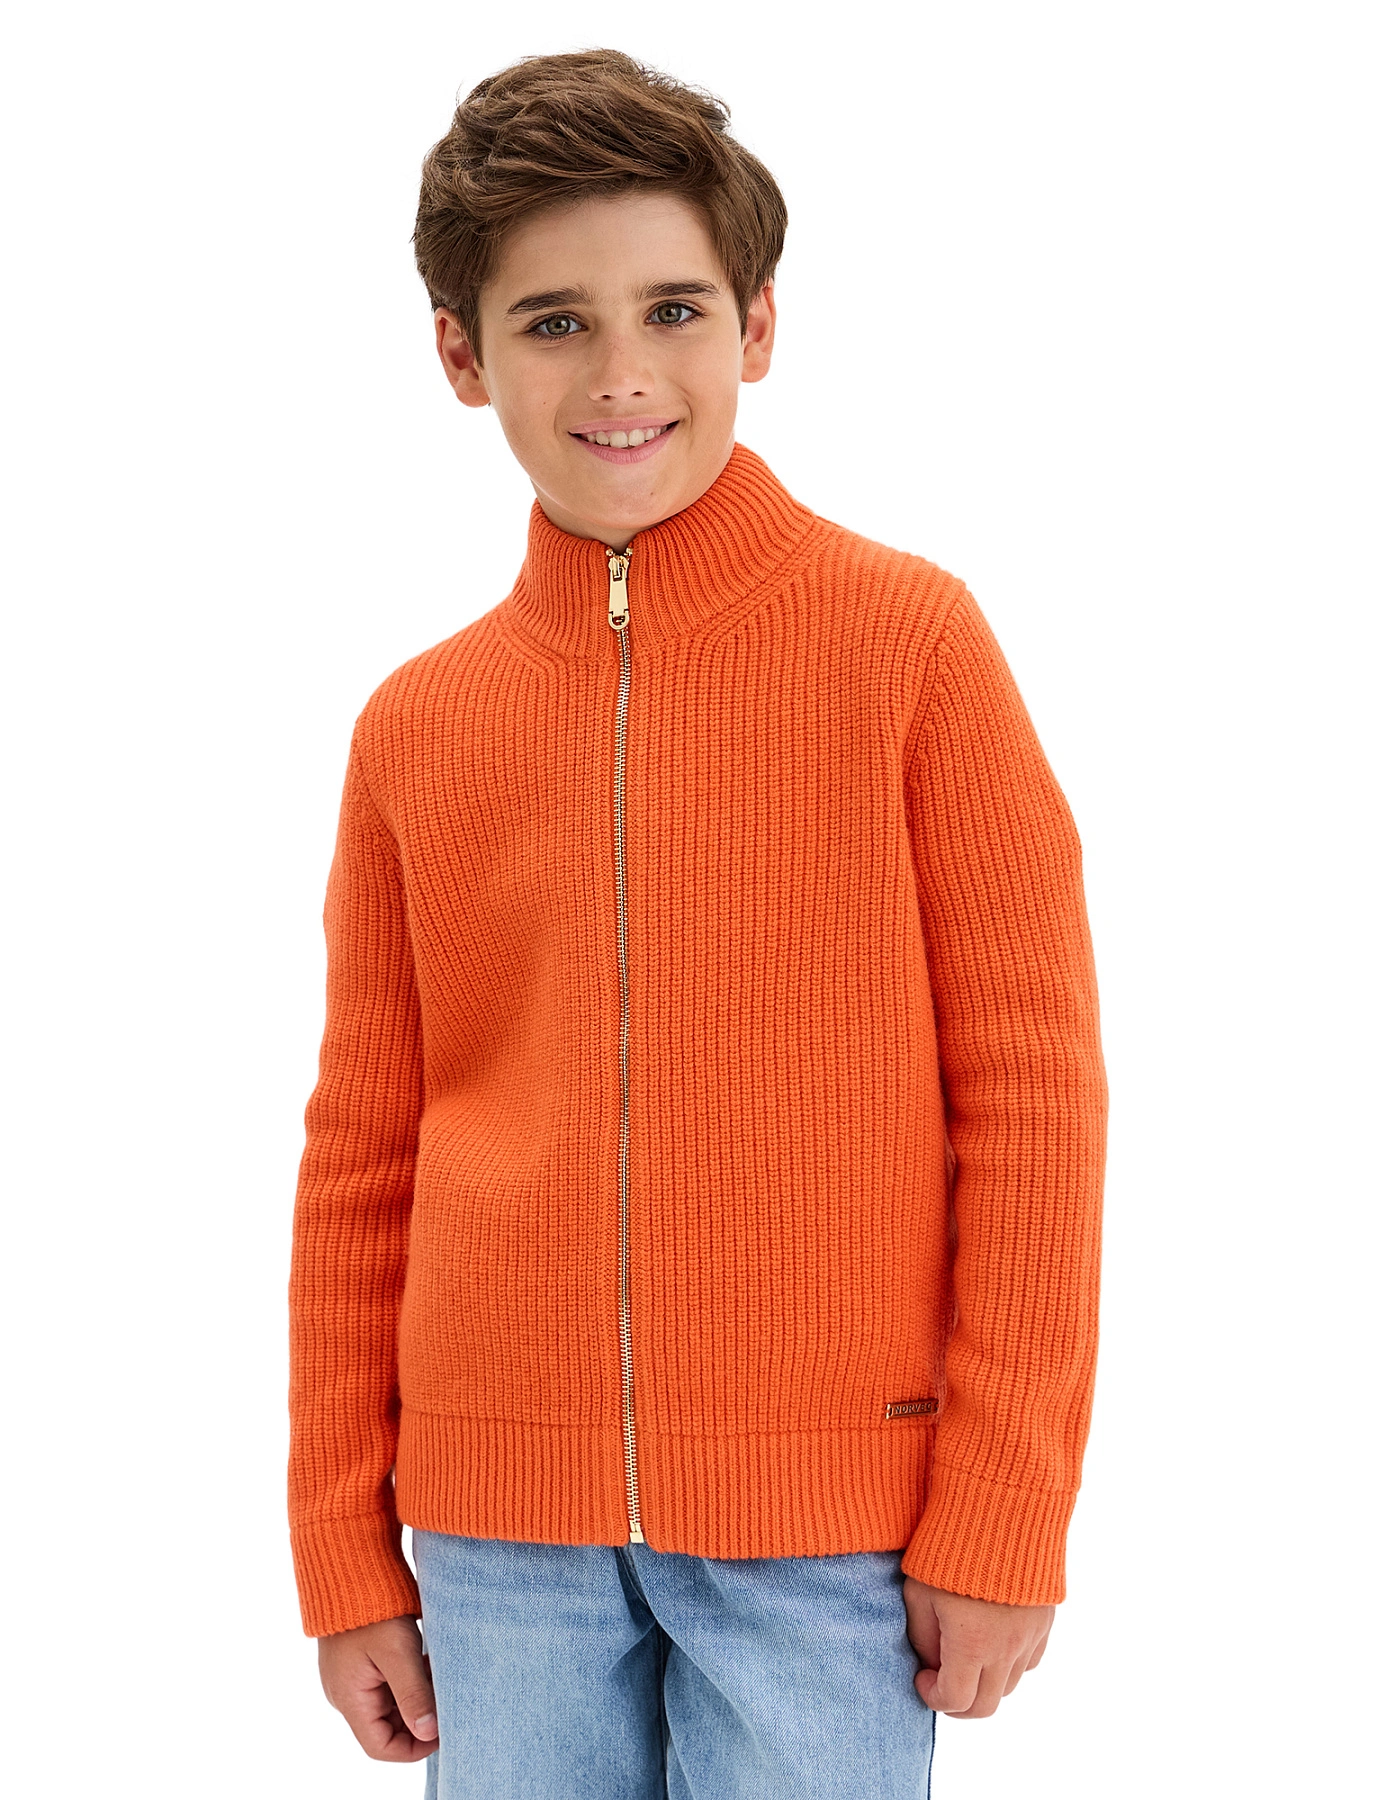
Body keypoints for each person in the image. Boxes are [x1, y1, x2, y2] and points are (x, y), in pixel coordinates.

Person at [287, 46, 1107, 1800]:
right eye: (553, 322)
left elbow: (1033, 1102)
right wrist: (343, 1550)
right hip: (497, 1549)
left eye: (672, 309)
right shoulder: (416, 727)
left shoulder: (910, 648)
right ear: (460, 355)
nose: (621, 374)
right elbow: (362, 1150)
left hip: (830, 1545)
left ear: (758, 325)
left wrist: (1004, 1506)